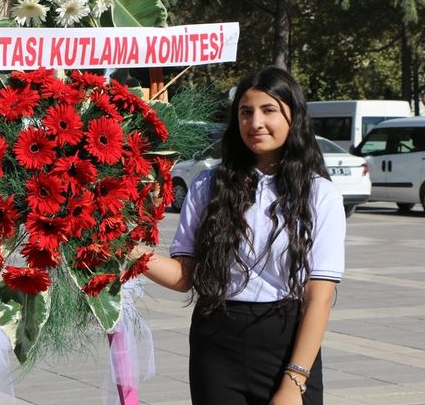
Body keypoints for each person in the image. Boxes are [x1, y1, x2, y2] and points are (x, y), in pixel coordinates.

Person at [135, 66, 345, 404]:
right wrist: (125, 249)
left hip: (285, 345)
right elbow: (183, 277)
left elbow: (319, 297)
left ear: (294, 116)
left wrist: (294, 381)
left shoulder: (319, 194)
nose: (255, 122)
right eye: (246, 112)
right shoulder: (208, 186)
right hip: (215, 344)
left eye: (268, 110)